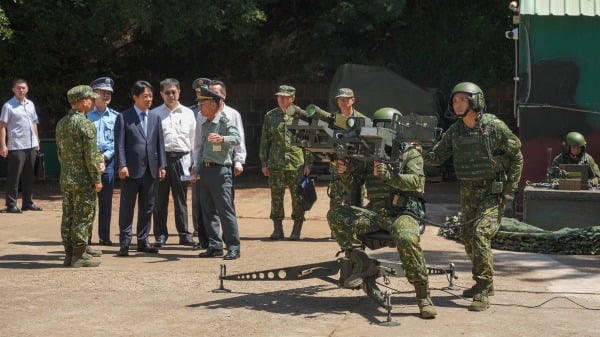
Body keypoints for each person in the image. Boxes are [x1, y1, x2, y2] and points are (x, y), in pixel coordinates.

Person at [327, 106, 438, 319]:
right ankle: (363, 263)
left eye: (385, 127)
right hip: (377, 212)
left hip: (404, 212)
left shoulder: (409, 153)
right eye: (377, 127)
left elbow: (417, 183)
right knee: (337, 215)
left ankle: (423, 297)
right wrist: (345, 172)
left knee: (405, 236)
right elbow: (353, 185)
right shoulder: (368, 154)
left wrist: (391, 176)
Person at [424, 82, 523, 311]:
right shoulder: (456, 131)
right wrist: (414, 151)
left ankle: (482, 287)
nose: (457, 104)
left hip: (492, 192)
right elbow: (437, 157)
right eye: (455, 100)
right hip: (467, 192)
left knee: (480, 235)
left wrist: (509, 191)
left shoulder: (493, 127)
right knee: (468, 238)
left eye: (462, 100)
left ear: (475, 101)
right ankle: (485, 283)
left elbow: (517, 157)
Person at [190, 79, 247, 250]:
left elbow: (237, 139)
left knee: (225, 210)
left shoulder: (226, 120)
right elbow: (199, 146)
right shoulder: (205, 122)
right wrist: (196, 166)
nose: (199, 107)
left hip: (221, 170)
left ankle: (233, 246)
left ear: (214, 104)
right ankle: (214, 246)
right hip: (205, 170)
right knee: (208, 211)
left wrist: (224, 140)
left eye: (203, 103)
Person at [114, 80, 167, 257]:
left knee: (147, 207)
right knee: (127, 208)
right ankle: (125, 242)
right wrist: (122, 164)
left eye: (151, 96)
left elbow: (159, 143)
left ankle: (143, 241)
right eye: (145, 96)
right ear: (135, 97)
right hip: (131, 170)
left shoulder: (155, 117)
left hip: (151, 169)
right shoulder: (124, 117)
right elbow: (119, 144)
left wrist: (162, 164)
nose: (149, 99)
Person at [55, 85, 103, 267]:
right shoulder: (85, 124)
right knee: (84, 214)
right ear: (84, 102)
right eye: (90, 99)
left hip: (66, 177)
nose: (92, 101)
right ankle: (79, 255)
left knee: (68, 214)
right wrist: (96, 179)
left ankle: (70, 252)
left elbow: (60, 154)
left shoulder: (61, 123)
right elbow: (91, 157)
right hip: (83, 180)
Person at [259, 85, 312, 240]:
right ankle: (277, 230)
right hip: (275, 164)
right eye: (279, 96)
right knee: (276, 197)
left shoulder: (301, 115)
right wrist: (264, 162)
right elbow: (265, 140)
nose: (281, 99)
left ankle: (296, 230)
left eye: (284, 97)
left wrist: (308, 163)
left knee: (298, 198)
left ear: (292, 98)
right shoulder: (270, 116)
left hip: (297, 164)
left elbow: (308, 141)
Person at [151, 78, 197, 247]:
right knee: (160, 200)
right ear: (161, 94)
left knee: (181, 199)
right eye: (167, 92)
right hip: (162, 161)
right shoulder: (155, 114)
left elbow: (194, 140)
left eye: (174, 92)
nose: (171, 95)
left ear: (179, 92)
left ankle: (184, 234)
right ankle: (160, 235)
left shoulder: (188, 113)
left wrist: (194, 164)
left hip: (182, 161)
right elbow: (152, 141)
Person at [0, 79, 43, 213]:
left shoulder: (31, 104)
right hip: (16, 145)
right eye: (18, 88)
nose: (21, 90)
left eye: (23, 88)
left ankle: (28, 203)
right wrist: (3, 145)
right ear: (13, 90)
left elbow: (34, 123)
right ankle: (11, 204)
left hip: (31, 145)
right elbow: (2, 126)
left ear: (27, 89)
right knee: (14, 177)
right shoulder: (8, 106)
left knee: (29, 176)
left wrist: (37, 141)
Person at [87, 76, 119, 246]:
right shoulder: (85, 116)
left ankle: (104, 236)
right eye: (103, 92)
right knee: (88, 201)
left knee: (105, 202)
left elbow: (117, 142)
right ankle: (86, 236)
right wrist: (93, 158)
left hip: (108, 161)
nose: (106, 95)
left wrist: (105, 157)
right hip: (88, 162)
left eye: (109, 93)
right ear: (94, 93)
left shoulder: (116, 117)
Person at [328, 88, 370, 209]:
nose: (342, 101)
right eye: (340, 99)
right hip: (337, 171)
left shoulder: (363, 121)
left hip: (356, 172)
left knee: (356, 208)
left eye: (345, 99)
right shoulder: (332, 120)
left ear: (353, 100)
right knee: (335, 210)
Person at [189, 77, 211, 247]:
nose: (200, 94)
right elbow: (193, 140)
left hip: (215, 162)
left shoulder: (216, 110)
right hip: (198, 161)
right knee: (197, 199)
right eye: (198, 92)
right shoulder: (192, 112)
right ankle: (198, 230)